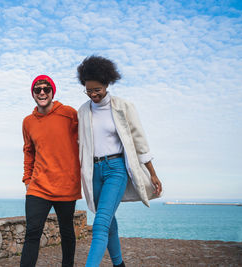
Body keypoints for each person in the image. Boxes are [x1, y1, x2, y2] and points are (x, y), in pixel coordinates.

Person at [76, 56, 163, 267]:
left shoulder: (123, 107)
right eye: (89, 90)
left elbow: (139, 141)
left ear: (107, 84)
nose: (93, 94)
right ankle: (119, 264)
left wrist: (152, 173)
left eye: (97, 89)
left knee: (99, 225)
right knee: (108, 221)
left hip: (116, 170)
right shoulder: (82, 111)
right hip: (93, 171)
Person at [20, 75, 82, 267]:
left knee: (67, 232)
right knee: (32, 233)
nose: (42, 92)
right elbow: (28, 152)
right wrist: (27, 179)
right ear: (33, 94)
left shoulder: (69, 114)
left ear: (52, 92)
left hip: (66, 186)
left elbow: (88, 138)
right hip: (38, 187)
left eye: (46, 89)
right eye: (37, 89)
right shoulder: (28, 122)